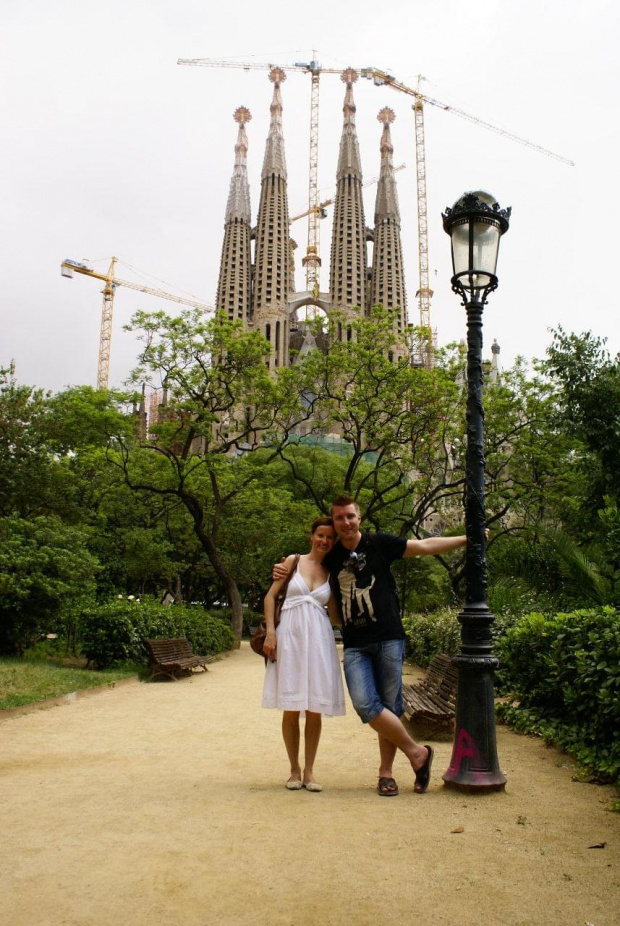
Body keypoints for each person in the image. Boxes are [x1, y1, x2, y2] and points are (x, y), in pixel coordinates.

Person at [274, 495, 478, 797]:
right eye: (339, 518)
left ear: (359, 517)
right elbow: (307, 567)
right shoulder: (331, 556)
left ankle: (386, 774)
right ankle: (417, 753)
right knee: (365, 704)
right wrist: (282, 568)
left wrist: (467, 539)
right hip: (356, 643)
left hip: (388, 637)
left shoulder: (378, 543)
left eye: (350, 516)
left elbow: (422, 546)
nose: (345, 522)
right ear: (334, 520)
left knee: (390, 705)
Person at [262, 516, 345, 792]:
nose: (324, 540)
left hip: (319, 640)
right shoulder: (293, 561)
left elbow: (335, 617)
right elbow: (270, 597)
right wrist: (271, 633)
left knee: (314, 709)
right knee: (291, 706)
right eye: (320, 535)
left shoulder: (332, 571)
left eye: (330, 537)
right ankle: (293, 770)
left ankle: (309, 771)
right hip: (291, 638)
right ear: (311, 536)